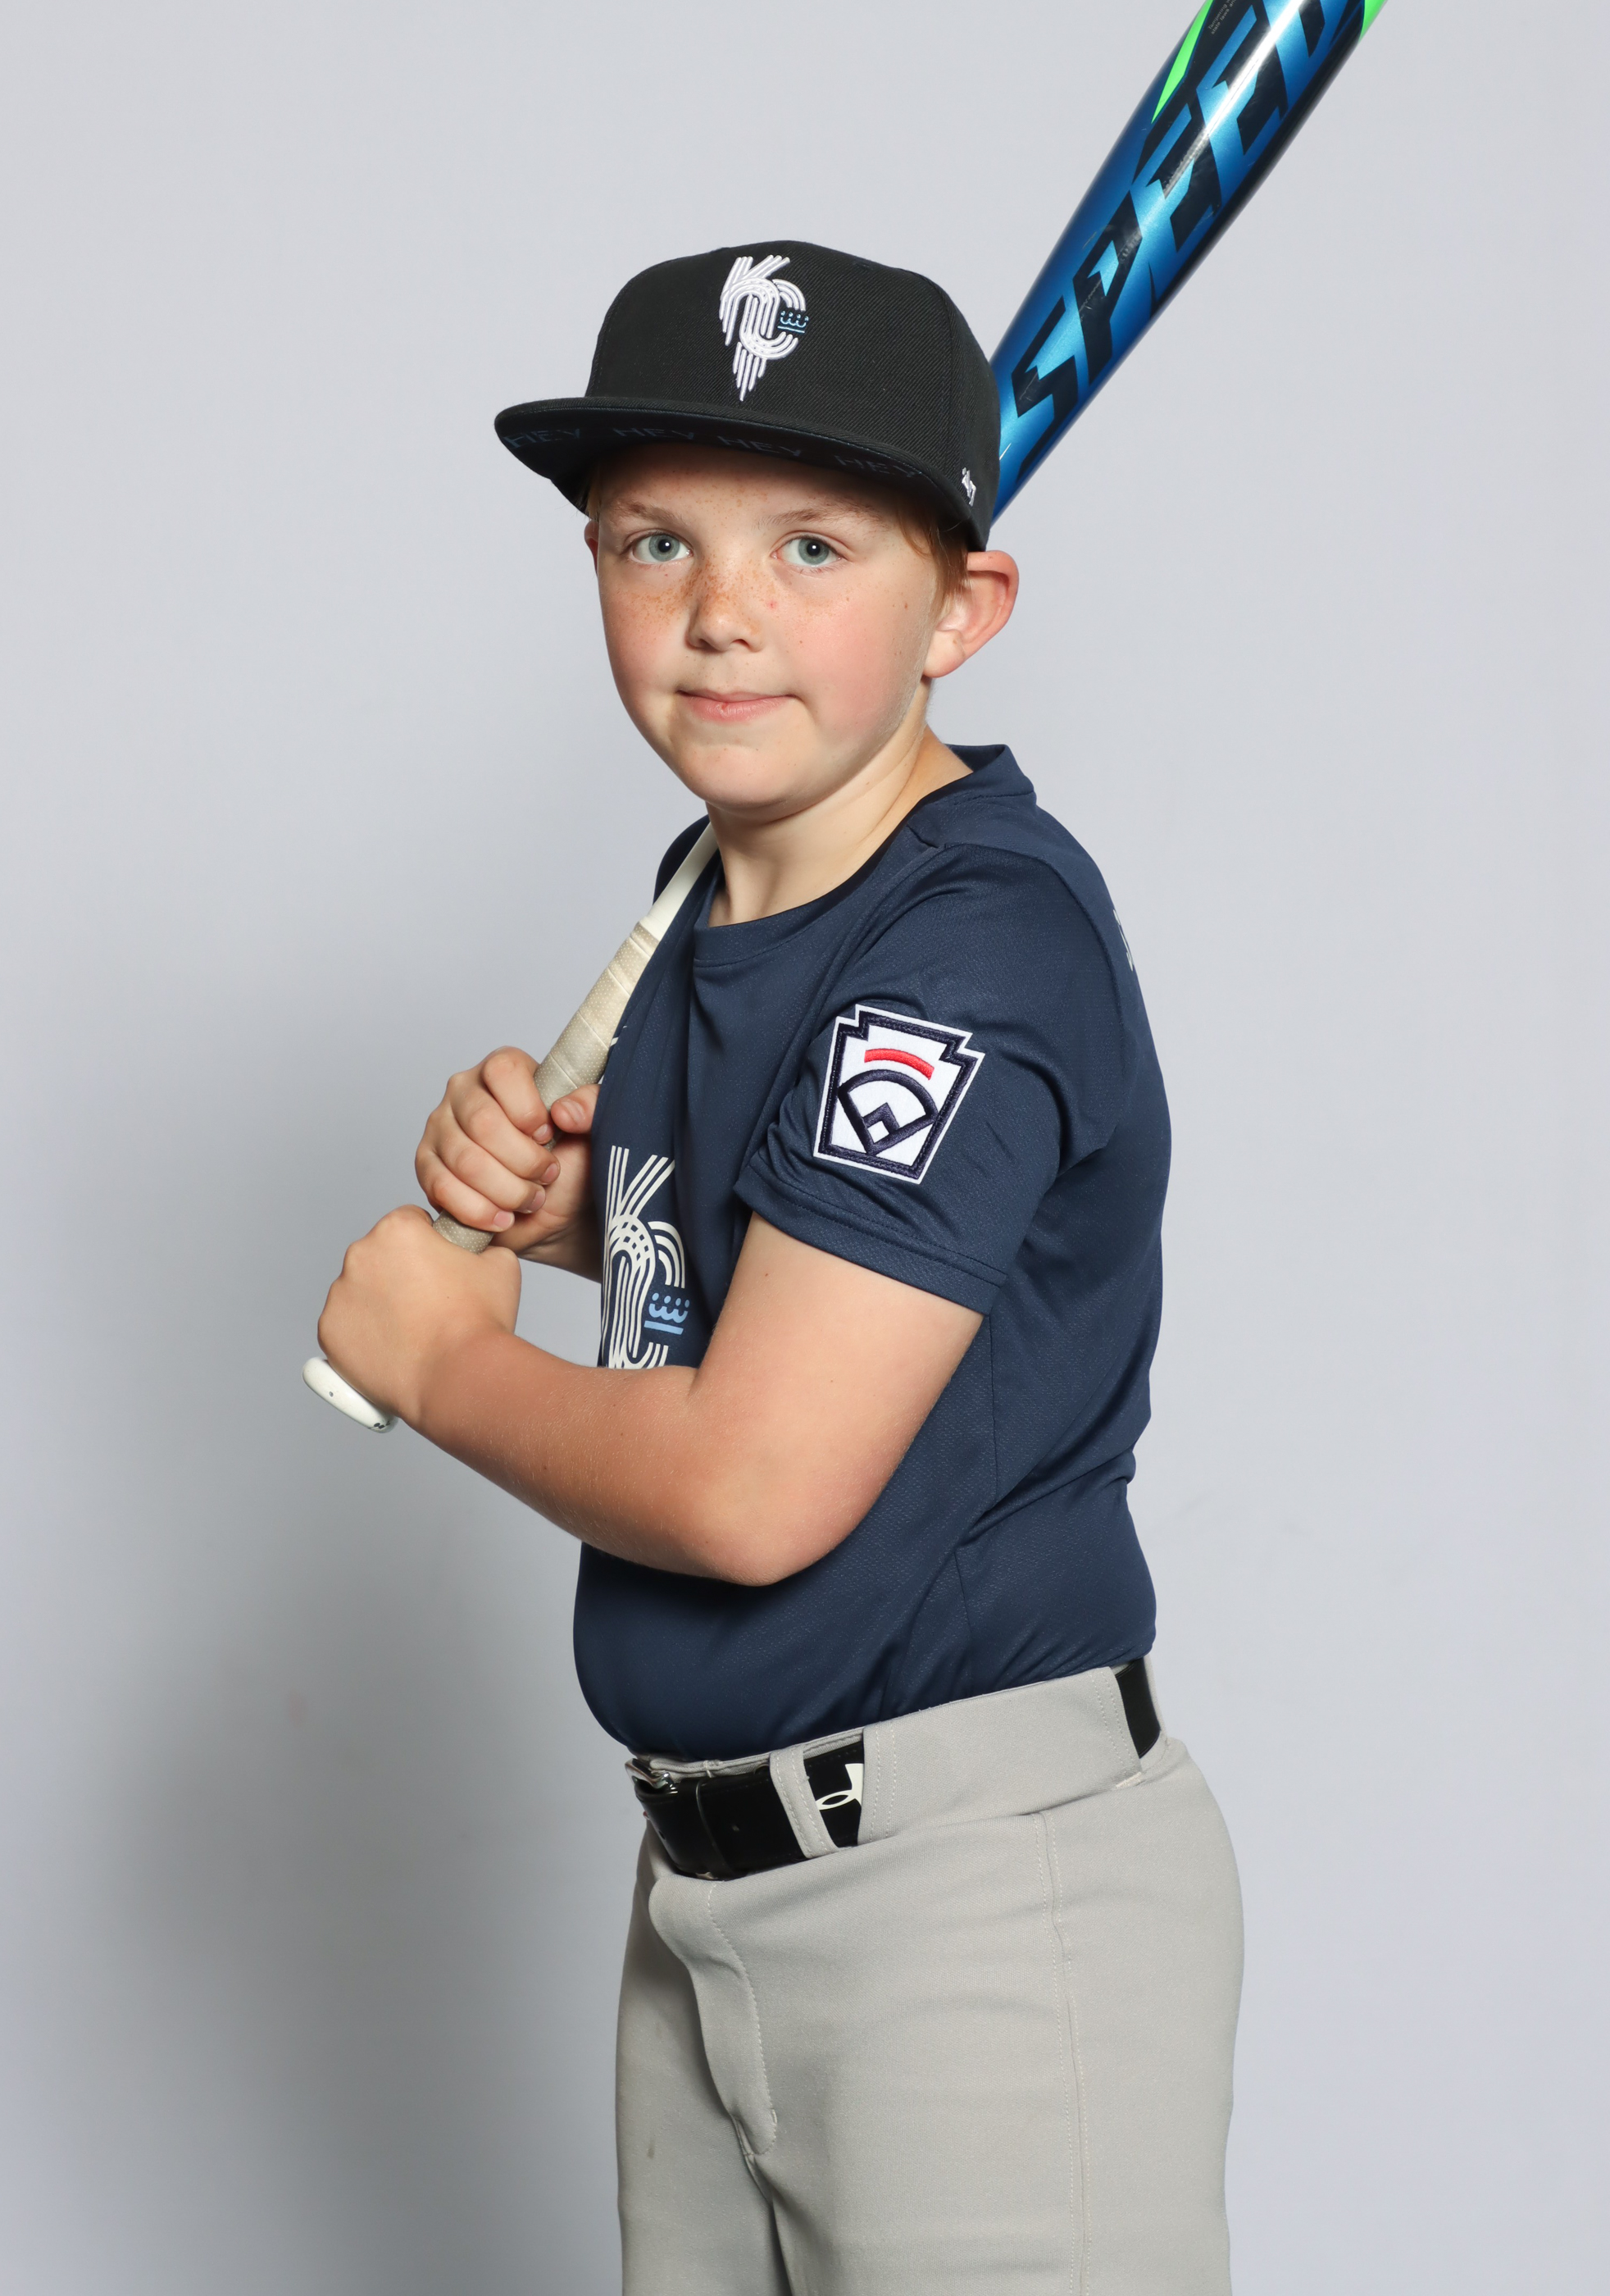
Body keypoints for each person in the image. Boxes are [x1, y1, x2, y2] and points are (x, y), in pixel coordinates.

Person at [316, 240, 1244, 2294]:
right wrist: (581, 1211)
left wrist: (440, 1356)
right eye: (657, 538)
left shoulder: (967, 947)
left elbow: (751, 1484)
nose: (721, 609)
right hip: (707, 1889)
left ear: (961, 611)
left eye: (814, 545)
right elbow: (814, 1263)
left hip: (965, 1917)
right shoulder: (717, 892)